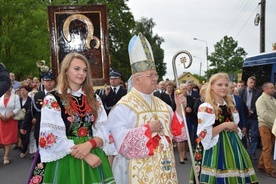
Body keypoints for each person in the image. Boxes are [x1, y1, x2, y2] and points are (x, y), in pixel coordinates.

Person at [107, 33, 186, 183]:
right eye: (151, 75)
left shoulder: (163, 106)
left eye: (156, 75)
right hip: (135, 172)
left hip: (165, 172)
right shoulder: (123, 107)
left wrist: (180, 109)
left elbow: (179, 135)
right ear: (137, 79)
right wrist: (148, 129)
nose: (155, 78)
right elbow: (121, 145)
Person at [27, 53, 115, 183]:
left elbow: (104, 130)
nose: (82, 73)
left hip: (92, 150)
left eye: (85, 70)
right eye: (77, 69)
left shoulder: (94, 98)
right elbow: (51, 137)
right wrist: (85, 154)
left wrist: (90, 144)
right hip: (65, 157)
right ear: (66, 70)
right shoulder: (53, 99)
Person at [190, 73, 258, 183]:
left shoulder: (230, 106)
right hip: (214, 148)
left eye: (226, 85)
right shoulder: (206, 107)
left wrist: (235, 128)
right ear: (211, 86)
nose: (224, 87)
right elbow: (204, 135)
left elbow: (236, 129)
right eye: (220, 84)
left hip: (233, 145)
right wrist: (225, 125)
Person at [255, 82, 276, 178]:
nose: (274, 89)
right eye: (271, 88)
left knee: (268, 147)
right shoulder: (261, 100)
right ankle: (270, 169)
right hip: (265, 125)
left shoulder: (273, 99)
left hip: (272, 125)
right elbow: (263, 114)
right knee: (267, 147)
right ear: (265, 89)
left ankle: (261, 165)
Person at [239, 76, 261, 160]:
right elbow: (240, 104)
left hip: (253, 117)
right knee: (243, 135)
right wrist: (245, 112)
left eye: (254, 83)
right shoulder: (241, 92)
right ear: (247, 82)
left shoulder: (258, 93)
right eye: (251, 82)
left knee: (254, 135)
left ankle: (252, 153)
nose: (252, 84)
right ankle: (243, 152)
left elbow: (258, 104)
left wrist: (252, 111)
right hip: (244, 116)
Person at [0, 86, 21, 164]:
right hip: (1, 120)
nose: (7, 90)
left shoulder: (15, 97)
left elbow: (18, 108)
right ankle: (6, 150)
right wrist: (1, 116)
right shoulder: (0, 96)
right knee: (1, 140)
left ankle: (6, 156)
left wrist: (8, 116)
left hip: (11, 120)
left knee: (8, 139)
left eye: (9, 88)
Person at [229, 82, 247, 148]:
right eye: (231, 88)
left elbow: (242, 113)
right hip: (228, 126)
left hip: (239, 125)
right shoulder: (222, 99)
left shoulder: (238, 98)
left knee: (240, 143)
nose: (233, 89)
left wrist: (244, 125)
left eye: (233, 87)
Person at [18, 85, 32, 158]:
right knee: (21, 135)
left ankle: (24, 150)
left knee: (26, 135)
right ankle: (24, 147)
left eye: (24, 90)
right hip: (20, 120)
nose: (22, 92)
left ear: (27, 91)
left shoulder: (30, 100)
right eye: (21, 90)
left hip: (27, 120)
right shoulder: (19, 100)